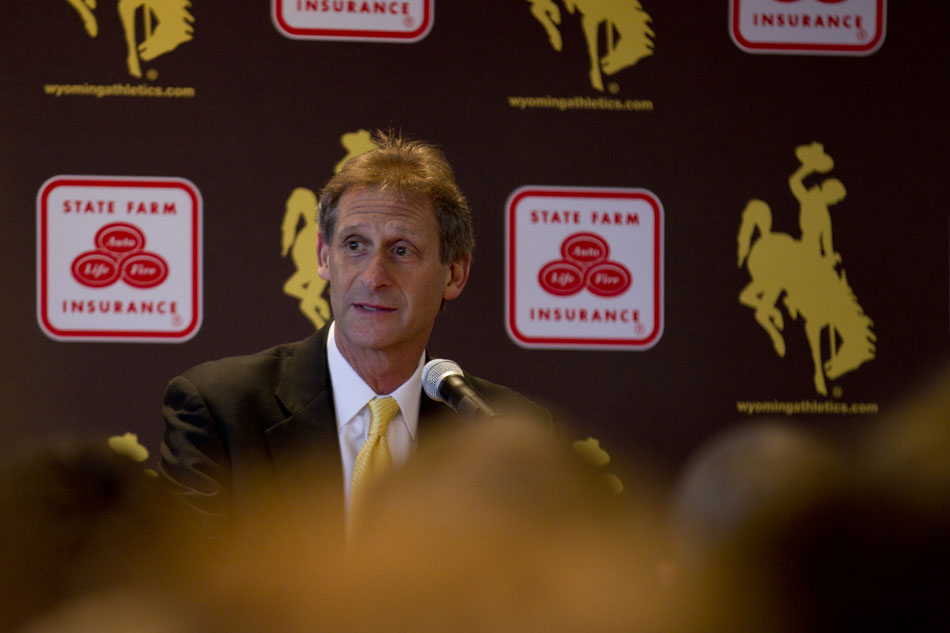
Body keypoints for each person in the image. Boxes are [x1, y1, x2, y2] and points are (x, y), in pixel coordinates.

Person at [159, 131, 553, 533]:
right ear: (322, 257)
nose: (373, 276)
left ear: (454, 274)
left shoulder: (495, 430)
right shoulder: (221, 411)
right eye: (354, 245)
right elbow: (187, 589)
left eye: (402, 250)